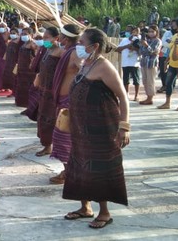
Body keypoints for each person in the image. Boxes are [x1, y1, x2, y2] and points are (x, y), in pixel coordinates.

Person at [63, 28, 129, 229]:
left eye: (82, 42)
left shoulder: (105, 67)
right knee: (80, 165)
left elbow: (123, 97)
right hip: (81, 129)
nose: (78, 45)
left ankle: (105, 212)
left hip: (101, 128)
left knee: (99, 169)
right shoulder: (85, 64)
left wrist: (124, 127)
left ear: (95, 46)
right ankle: (86, 207)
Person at [48, 24, 82, 184]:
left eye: (60, 35)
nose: (58, 38)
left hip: (69, 102)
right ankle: (68, 170)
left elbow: (84, 71)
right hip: (61, 101)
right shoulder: (67, 51)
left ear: (65, 38)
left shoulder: (75, 53)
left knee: (64, 139)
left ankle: (69, 172)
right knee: (62, 137)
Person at [34, 26, 61, 157]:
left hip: (53, 91)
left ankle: (51, 146)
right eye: (43, 38)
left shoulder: (60, 52)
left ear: (56, 38)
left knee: (51, 119)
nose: (44, 40)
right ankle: (46, 145)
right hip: (43, 90)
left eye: (47, 38)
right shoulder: (47, 50)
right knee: (42, 118)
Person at [159, 19, 178, 110]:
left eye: (174, 24)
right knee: (168, 83)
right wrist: (167, 59)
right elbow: (171, 48)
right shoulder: (174, 35)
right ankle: (167, 103)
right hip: (172, 63)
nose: (172, 26)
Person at [115, 27, 141, 101]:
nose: (135, 33)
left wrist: (134, 48)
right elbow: (117, 49)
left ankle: (136, 95)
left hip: (135, 63)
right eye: (133, 32)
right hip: (125, 63)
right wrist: (126, 46)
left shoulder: (139, 40)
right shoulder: (125, 40)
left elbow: (141, 52)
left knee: (136, 80)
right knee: (126, 79)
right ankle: (126, 93)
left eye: (137, 32)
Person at [137, 26, 161, 105]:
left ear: (156, 32)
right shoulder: (147, 40)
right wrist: (143, 45)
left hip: (151, 63)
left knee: (150, 80)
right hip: (144, 62)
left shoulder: (157, 41)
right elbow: (141, 51)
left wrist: (147, 46)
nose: (150, 33)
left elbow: (154, 52)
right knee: (144, 80)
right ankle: (148, 96)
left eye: (152, 31)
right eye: (149, 31)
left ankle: (150, 97)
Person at [14, 28, 37, 107]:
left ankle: (28, 104)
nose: (23, 35)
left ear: (31, 35)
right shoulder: (24, 43)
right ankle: (21, 102)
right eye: (22, 34)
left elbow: (36, 55)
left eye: (25, 34)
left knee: (28, 87)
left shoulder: (32, 44)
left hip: (28, 71)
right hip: (21, 68)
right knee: (21, 86)